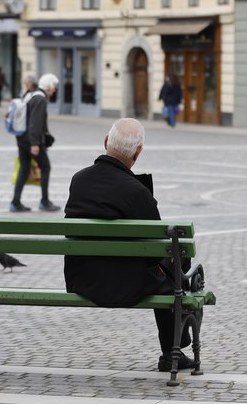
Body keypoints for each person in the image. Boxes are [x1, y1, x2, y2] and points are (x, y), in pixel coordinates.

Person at [63, 118, 197, 372]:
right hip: (123, 284)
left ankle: (174, 350)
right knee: (175, 262)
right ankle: (173, 352)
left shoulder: (78, 180)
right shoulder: (136, 192)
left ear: (105, 142)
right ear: (137, 153)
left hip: (82, 278)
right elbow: (157, 246)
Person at [9, 73, 60, 212]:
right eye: (54, 87)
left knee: (24, 168)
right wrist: (35, 144)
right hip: (31, 140)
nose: (54, 90)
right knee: (46, 167)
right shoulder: (40, 99)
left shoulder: (30, 94)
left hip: (21, 137)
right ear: (48, 86)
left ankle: (15, 202)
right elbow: (35, 123)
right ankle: (44, 201)